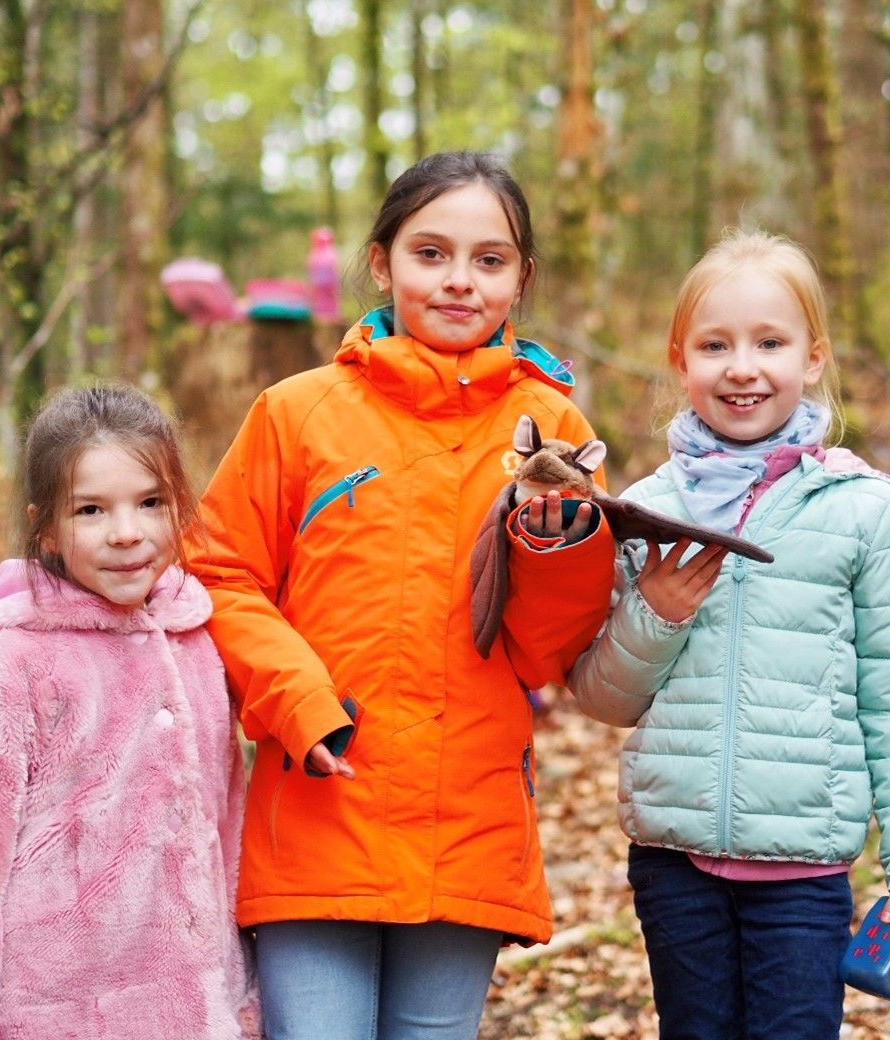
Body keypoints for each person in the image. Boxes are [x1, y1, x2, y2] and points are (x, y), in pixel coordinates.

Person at [189, 151, 616, 1040]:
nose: (460, 280)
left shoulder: (552, 429)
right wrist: (296, 701)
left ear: (521, 278)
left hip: (469, 816)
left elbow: (548, 648)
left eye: (489, 260)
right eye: (431, 253)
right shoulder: (296, 412)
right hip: (318, 803)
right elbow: (219, 575)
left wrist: (557, 549)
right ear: (381, 263)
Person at [567, 230, 890, 1040]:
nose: (741, 368)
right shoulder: (646, 509)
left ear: (813, 358)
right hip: (675, 865)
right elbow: (604, 699)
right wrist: (657, 613)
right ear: (681, 361)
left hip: (805, 869)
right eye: (715, 345)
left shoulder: (863, 511)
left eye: (769, 343)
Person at [0, 385, 258, 1040]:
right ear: (47, 527)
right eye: (90, 510)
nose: (127, 532)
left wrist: (241, 1002)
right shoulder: (6, 662)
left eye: (151, 502)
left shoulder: (194, 644)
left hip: (195, 1017)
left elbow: (226, 836)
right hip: (46, 1018)